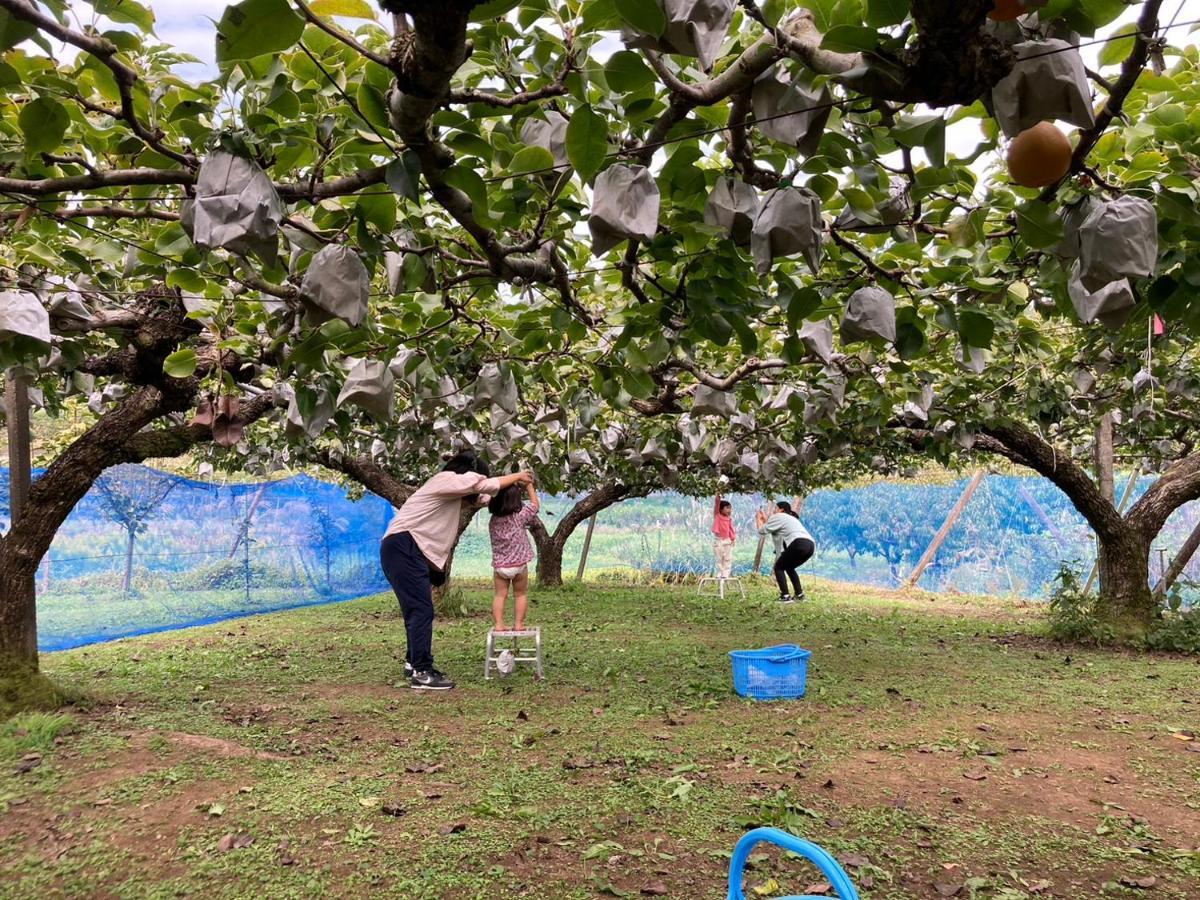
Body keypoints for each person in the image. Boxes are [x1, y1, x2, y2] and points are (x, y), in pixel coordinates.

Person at [380, 450, 532, 691]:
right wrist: (517, 476)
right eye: (478, 476)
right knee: (421, 609)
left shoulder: (451, 493)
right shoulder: (444, 480)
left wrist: (508, 491)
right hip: (403, 546)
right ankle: (422, 671)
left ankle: (413, 663)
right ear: (469, 472)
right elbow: (482, 485)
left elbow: (482, 496)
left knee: (416, 609)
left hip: (405, 548)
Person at [488, 477, 540, 632]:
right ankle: (518, 624)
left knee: (499, 595)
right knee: (520, 594)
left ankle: (499, 624)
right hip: (519, 565)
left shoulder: (493, 521)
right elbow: (534, 506)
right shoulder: (519, 518)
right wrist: (529, 486)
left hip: (500, 567)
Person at [755, 500, 815, 604]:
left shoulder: (778, 516)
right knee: (789, 567)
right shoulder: (791, 518)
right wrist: (766, 520)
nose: (774, 511)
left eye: (775, 509)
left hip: (798, 543)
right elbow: (773, 526)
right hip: (810, 545)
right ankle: (799, 595)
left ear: (781, 510)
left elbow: (762, 530)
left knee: (778, 567)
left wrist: (758, 519)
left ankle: (785, 596)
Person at [711, 492, 736, 579]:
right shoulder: (717, 515)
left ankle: (726, 573)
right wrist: (718, 496)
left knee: (727, 558)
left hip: (727, 540)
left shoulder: (728, 519)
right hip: (718, 540)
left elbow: (731, 529)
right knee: (719, 558)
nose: (729, 510)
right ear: (721, 509)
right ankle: (720, 572)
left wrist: (733, 539)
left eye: (730, 508)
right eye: (727, 508)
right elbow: (717, 504)